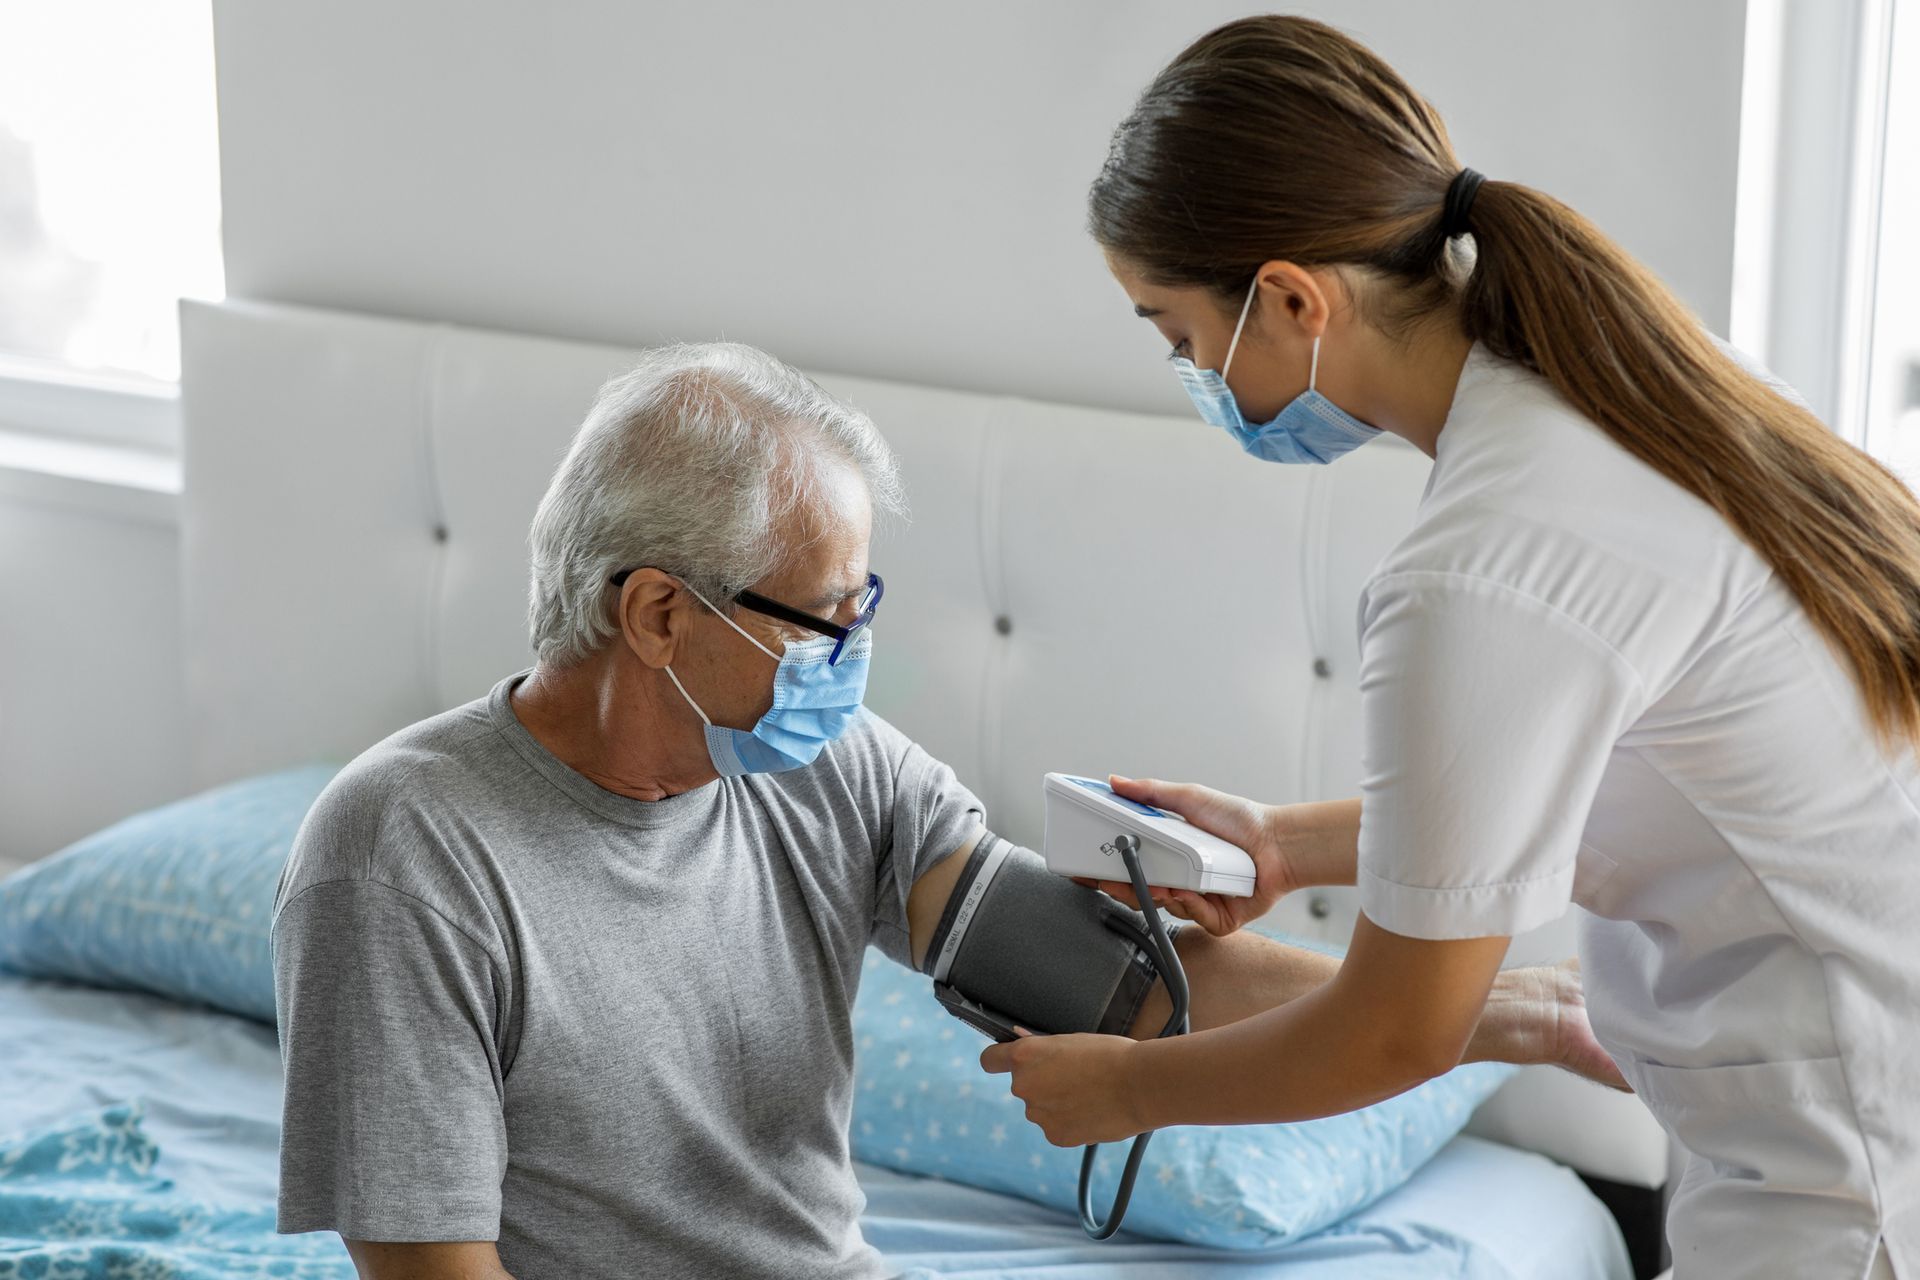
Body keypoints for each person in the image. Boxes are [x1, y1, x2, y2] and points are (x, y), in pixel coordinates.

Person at [270, 340, 1612, 1280]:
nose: (851, 660)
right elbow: (433, 1262)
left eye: (867, 611)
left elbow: (1126, 985)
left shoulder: (821, 766)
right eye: (825, 620)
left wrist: (1497, 1014)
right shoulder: (403, 854)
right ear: (660, 614)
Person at [984, 16, 1918, 1280]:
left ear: (1295, 298)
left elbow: (1396, 1031)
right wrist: (1280, 842)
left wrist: (1130, 1089)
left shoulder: (1480, 568)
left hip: (1852, 1167)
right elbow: (1581, 773)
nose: (1191, 371)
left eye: (1178, 333)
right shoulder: (1648, 391)